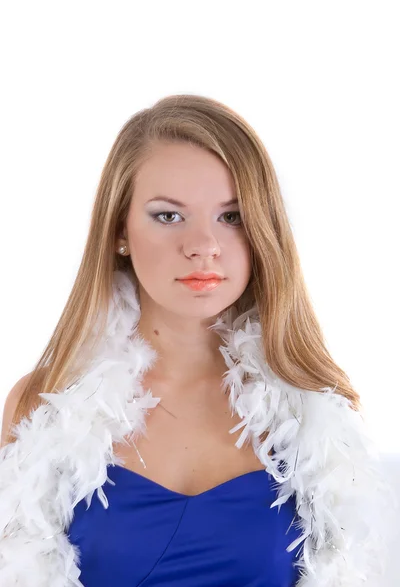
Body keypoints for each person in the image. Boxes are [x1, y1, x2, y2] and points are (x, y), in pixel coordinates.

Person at [0, 94, 395, 587]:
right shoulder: (43, 405)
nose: (203, 246)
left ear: (263, 231)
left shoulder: (312, 411)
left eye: (231, 217)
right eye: (169, 216)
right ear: (119, 230)